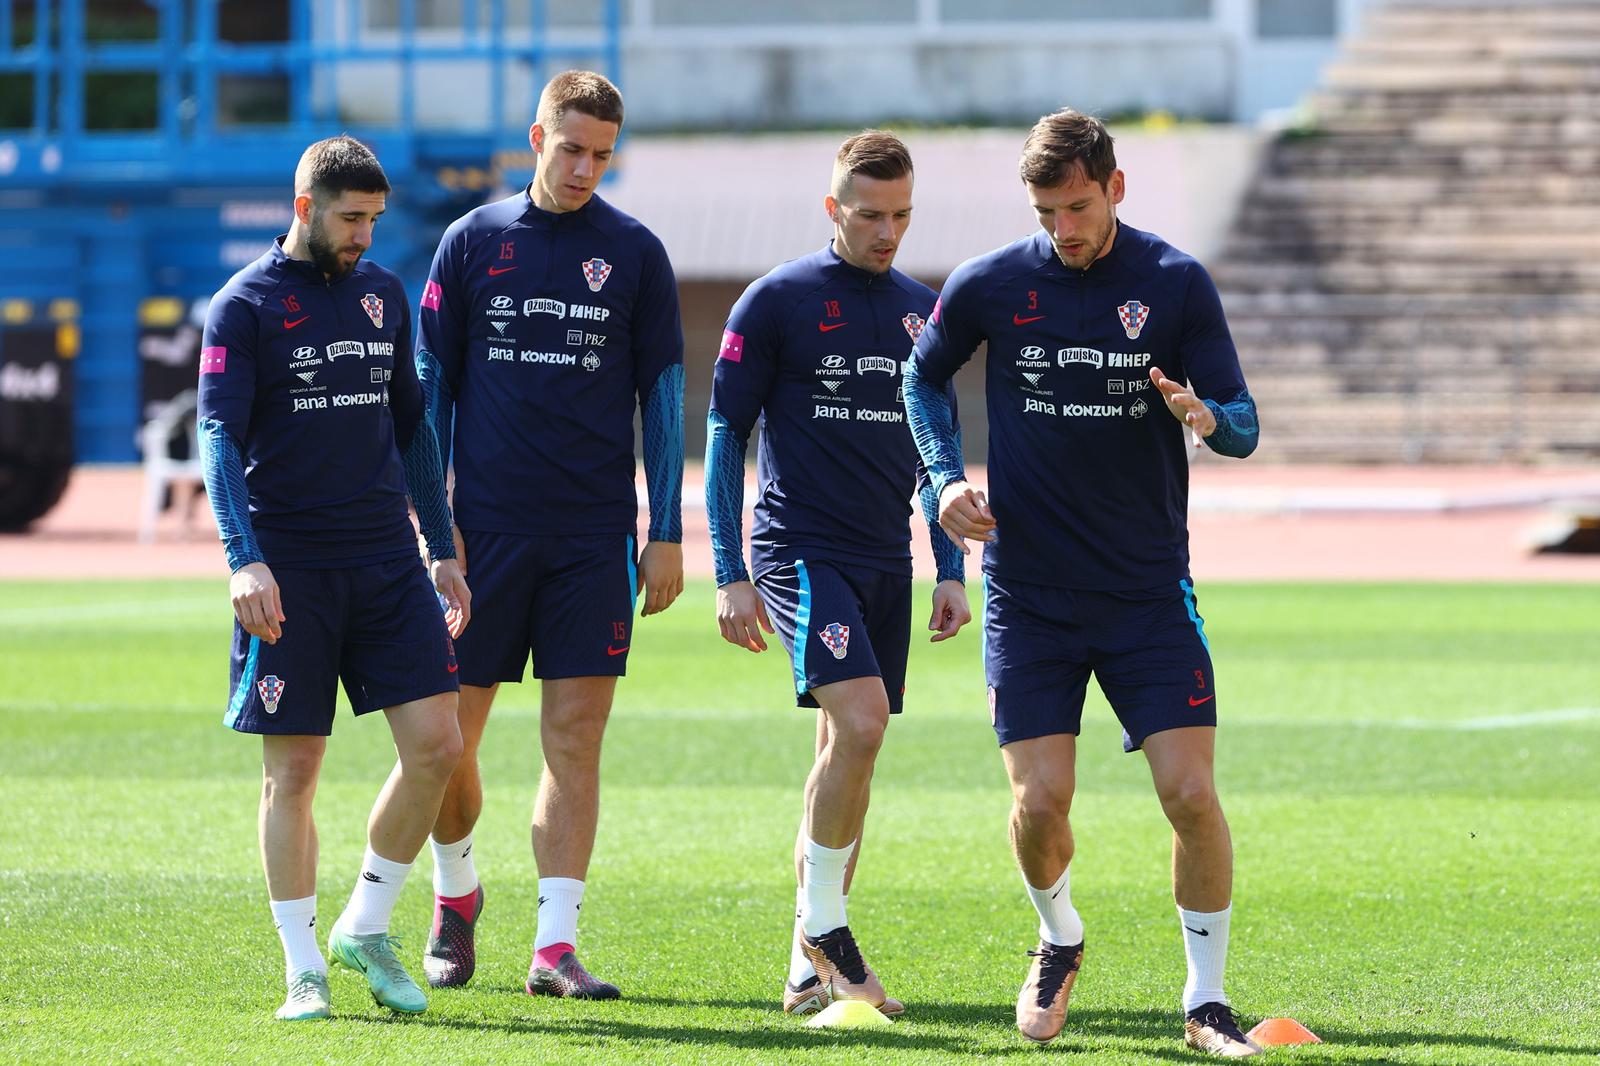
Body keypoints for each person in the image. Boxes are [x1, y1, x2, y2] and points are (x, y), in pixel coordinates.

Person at [902, 108, 1262, 1056]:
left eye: (1078, 205)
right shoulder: (991, 281)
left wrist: (1205, 419)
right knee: (1039, 803)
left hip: (1147, 592)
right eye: (1046, 208)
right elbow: (919, 376)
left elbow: (1245, 423)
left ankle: (1206, 1000)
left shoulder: (1176, 283)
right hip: (1029, 597)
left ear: (1116, 188)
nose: (1063, 227)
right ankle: (1060, 936)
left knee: (1190, 796)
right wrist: (943, 477)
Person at [415, 69, 684, 999]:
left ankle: (554, 947)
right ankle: (457, 895)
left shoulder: (636, 253)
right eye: (571, 149)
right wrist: (432, 521)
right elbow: (429, 395)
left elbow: (665, 394)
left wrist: (668, 528)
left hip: (592, 535)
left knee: (575, 737)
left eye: (603, 155)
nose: (585, 169)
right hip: (481, 530)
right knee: (446, 740)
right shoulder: (471, 242)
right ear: (536, 138)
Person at [198, 135, 470, 1022]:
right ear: (305, 206)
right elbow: (218, 440)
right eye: (351, 219)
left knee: (438, 746)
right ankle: (302, 964)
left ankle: (366, 922)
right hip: (292, 568)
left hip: (388, 561)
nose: (364, 235)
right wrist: (244, 559)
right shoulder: (243, 308)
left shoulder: (385, 294)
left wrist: (441, 544)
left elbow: (414, 428)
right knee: (295, 773)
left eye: (374, 220)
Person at [706, 130, 970, 1018]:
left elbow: (940, 445)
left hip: (884, 557)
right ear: (834, 209)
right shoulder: (775, 300)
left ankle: (801, 964)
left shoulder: (922, 311)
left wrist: (949, 566)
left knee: (845, 750)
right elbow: (722, 436)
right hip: (797, 549)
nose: (887, 231)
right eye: (869, 215)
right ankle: (828, 930)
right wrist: (728, 569)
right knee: (860, 724)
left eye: (901, 215)